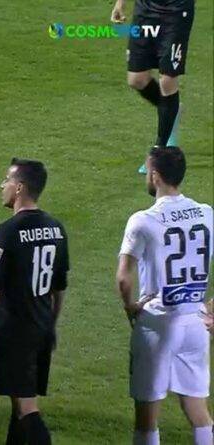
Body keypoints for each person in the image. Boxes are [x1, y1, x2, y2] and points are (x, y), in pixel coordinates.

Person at [116, 146, 213, 445]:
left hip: (157, 323)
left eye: (147, 171)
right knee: (199, 412)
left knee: (146, 419)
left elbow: (123, 277)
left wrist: (130, 307)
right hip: (196, 322)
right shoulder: (206, 213)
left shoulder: (143, 220)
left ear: (156, 176)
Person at [0, 159, 69, 445]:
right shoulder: (56, 228)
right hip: (41, 326)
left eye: (7, 180)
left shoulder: (8, 231)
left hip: (17, 331)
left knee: (27, 408)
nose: (2, 185)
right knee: (19, 403)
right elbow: (59, 286)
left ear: (20, 188)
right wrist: (52, 324)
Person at [110, 0, 194, 173]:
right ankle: (172, 111)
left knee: (167, 80)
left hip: (176, 12)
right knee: (136, 79)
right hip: (145, 11)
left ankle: (159, 152)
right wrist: (120, 4)